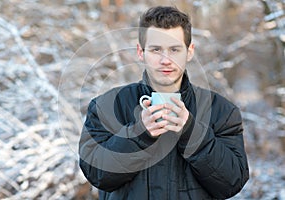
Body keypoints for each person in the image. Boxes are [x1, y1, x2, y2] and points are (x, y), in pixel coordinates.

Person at [79, 6, 249, 200]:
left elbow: (232, 183)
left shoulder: (221, 111)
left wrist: (191, 132)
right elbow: (97, 175)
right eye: (156, 49)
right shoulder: (107, 106)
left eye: (174, 49)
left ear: (189, 51)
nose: (165, 60)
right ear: (141, 52)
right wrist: (139, 134)